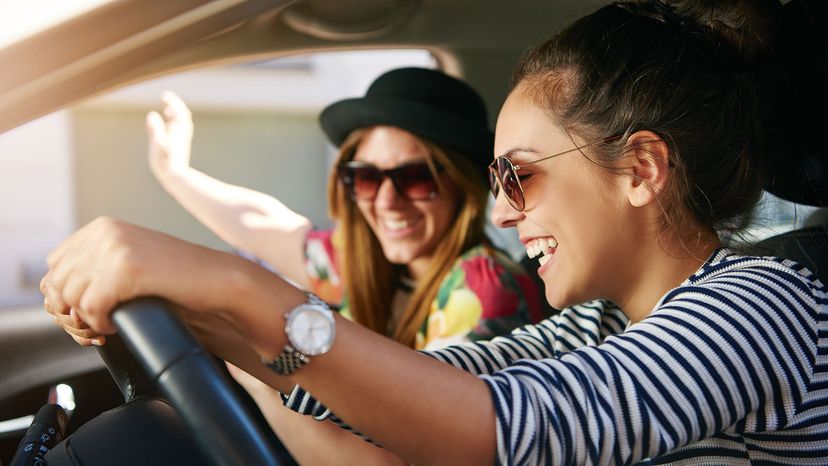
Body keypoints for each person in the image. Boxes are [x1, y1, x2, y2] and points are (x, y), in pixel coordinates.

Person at [43, 0, 828, 464]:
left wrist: (232, 285)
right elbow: (395, 391)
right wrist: (207, 325)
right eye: (496, 183)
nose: (506, 212)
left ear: (639, 169)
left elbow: (499, 430)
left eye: (518, 174)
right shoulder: (599, 324)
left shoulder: (768, 306)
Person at [146, 67, 546, 464]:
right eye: (367, 178)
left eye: (414, 177)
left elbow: (387, 461)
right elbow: (260, 222)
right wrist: (174, 174)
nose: (387, 201)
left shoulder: (483, 289)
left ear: (462, 184)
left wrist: (256, 371)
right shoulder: (365, 265)